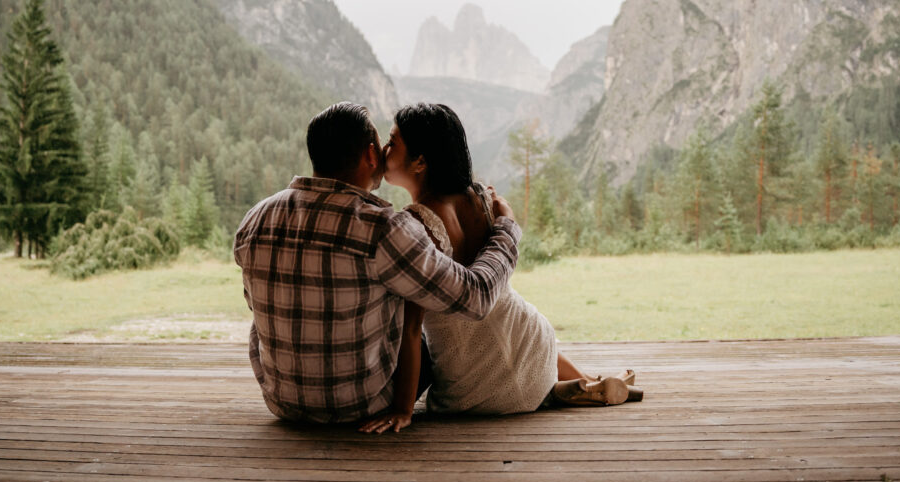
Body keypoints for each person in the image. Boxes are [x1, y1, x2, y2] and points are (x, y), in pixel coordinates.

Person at [359, 103, 641, 434]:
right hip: (532, 341)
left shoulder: (415, 225)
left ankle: (575, 387)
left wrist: (403, 409)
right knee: (522, 341)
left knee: (501, 373)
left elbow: (411, 329)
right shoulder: (481, 198)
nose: (384, 149)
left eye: (393, 142)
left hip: (475, 383)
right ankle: (584, 383)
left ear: (420, 162)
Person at [233, 101, 522, 424]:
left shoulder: (255, 218)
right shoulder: (383, 229)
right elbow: (477, 297)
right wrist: (507, 229)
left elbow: (254, 304)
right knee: (416, 320)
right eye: (382, 144)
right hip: (361, 407)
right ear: (371, 155)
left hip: (282, 403)